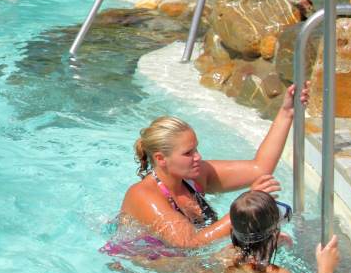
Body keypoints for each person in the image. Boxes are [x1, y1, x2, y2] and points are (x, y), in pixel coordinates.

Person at [117, 88, 306, 251]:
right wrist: (247, 206)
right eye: (188, 153)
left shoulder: (193, 176)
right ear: (161, 159)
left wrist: (287, 113)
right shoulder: (143, 195)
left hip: (187, 260)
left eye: (196, 148)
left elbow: (260, 169)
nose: (198, 157)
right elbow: (188, 243)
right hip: (145, 266)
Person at [216, 189, 340, 273]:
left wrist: (270, 240)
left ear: (232, 231)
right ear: (275, 234)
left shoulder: (224, 255)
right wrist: (325, 271)